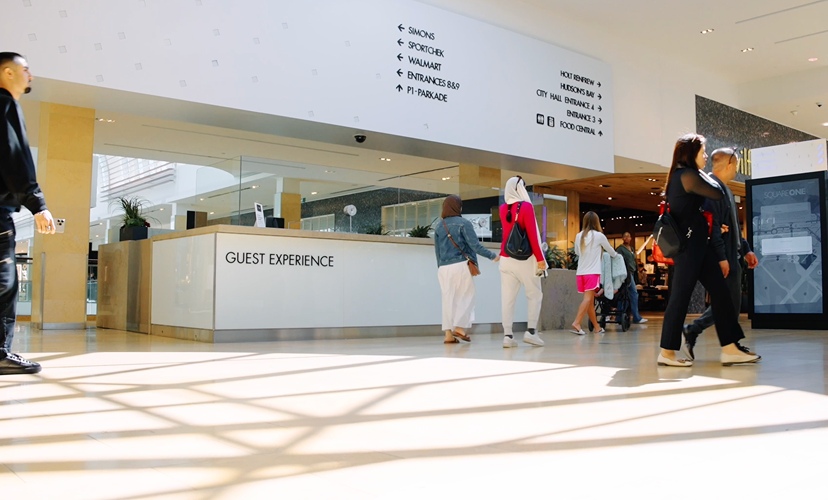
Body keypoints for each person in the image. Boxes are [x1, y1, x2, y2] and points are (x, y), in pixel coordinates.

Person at [658, 133, 759, 367]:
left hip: (699, 248)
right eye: (702, 152)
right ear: (690, 153)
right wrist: (713, 173)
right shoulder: (686, 175)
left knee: (722, 295)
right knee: (680, 299)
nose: (705, 156)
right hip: (689, 250)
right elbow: (718, 192)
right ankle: (666, 352)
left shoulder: (685, 175)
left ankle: (730, 348)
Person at [0, 52, 56, 375]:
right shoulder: (6, 105)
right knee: (5, 284)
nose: (30, 75)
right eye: (25, 69)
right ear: (7, 73)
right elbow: (15, 157)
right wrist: (38, 205)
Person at [682, 147, 759, 359]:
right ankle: (724, 344)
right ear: (729, 164)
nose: (736, 169)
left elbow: (732, 227)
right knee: (728, 304)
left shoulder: (725, 190)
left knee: (728, 304)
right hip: (723, 260)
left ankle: (725, 343)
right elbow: (713, 228)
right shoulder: (713, 190)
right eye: (735, 165)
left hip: (732, 257)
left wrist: (746, 250)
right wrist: (722, 258)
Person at [434, 195, 499, 344]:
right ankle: (460, 328)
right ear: (458, 207)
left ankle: (448, 335)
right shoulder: (464, 224)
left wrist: (440, 267)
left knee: (448, 300)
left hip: (443, 268)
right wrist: (492, 256)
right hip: (460, 265)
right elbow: (475, 245)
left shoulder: (439, 226)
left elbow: (437, 251)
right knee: (466, 296)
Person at [499, 176, 547, 348]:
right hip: (525, 259)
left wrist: (500, 252)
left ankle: (508, 336)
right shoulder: (526, 207)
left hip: (506, 259)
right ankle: (531, 332)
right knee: (534, 294)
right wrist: (541, 259)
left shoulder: (503, 208)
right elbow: (532, 235)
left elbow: (507, 234)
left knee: (507, 298)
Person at [570, 211, 617, 334]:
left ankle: (597, 327)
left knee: (590, 301)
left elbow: (577, 252)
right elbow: (611, 251)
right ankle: (577, 322)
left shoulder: (578, 235)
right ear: (597, 222)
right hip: (592, 272)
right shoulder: (599, 236)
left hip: (580, 273)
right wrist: (617, 256)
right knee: (587, 299)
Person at [616, 231, 647, 324]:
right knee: (633, 294)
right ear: (622, 238)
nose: (627, 238)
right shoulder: (620, 249)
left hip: (632, 273)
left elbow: (633, 260)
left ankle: (620, 316)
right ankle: (636, 317)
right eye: (625, 236)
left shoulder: (632, 248)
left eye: (628, 236)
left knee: (625, 294)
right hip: (626, 274)